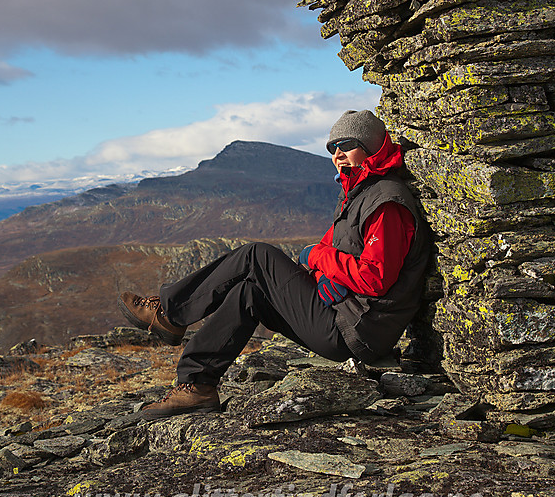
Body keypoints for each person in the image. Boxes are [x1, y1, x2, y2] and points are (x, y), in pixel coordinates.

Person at [117, 109, 430, 420]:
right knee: (249, 292)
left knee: (257, 256)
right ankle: (197, 386)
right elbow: (331, 247)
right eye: (332, 148)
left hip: (354, 332)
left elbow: (373, 277)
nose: (338, 155)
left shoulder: (387, 203)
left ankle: (171, 312)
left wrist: (317, 260)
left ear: (372, 146)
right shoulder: (360, 194)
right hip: (344, 315)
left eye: (346, 145)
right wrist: (324, 273)